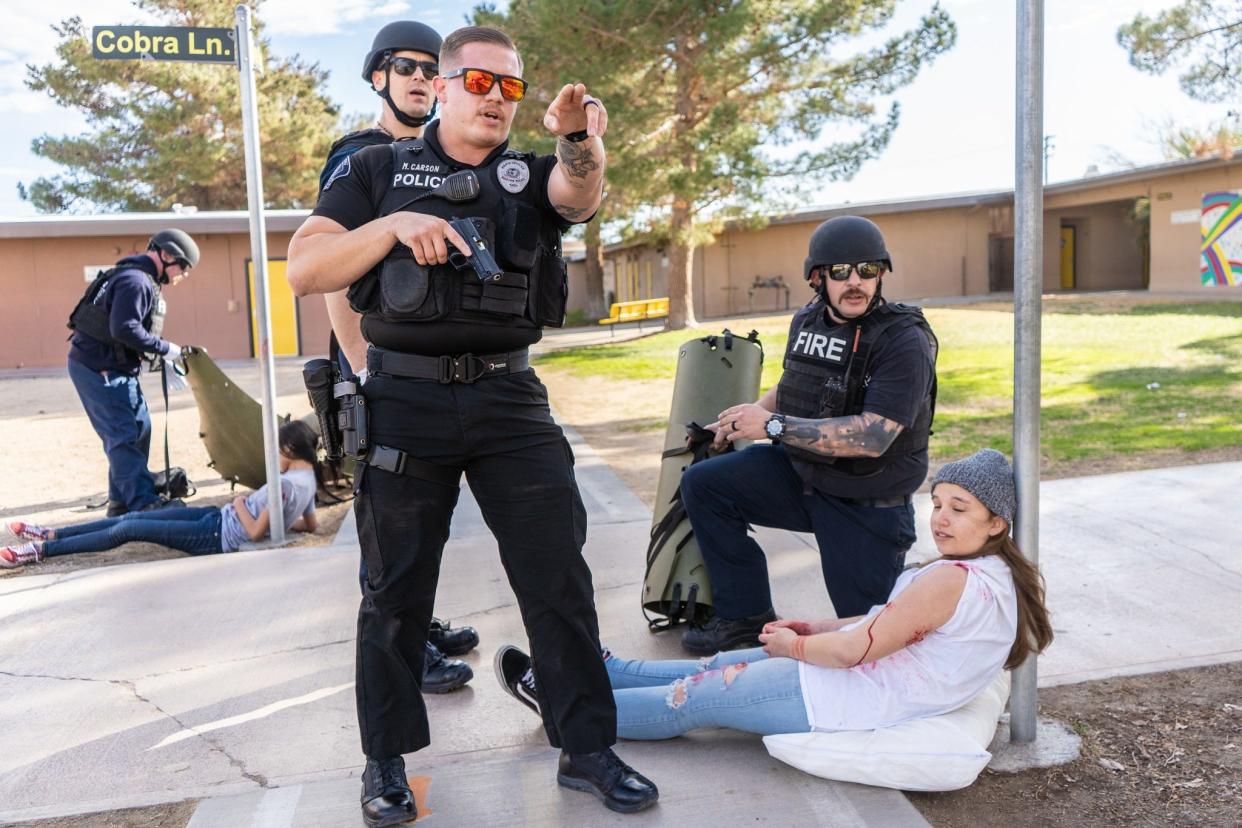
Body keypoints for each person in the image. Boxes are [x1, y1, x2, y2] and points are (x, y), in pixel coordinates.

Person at [287, 25, 657, 824]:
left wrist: (579, 141)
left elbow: (579, 194)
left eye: (511, 90)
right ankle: (385, 763)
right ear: (444, 88)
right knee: (393, 592)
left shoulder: (530, 173)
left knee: (557, 577)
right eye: (480, 84)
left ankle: (587, 747)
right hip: (406, 401)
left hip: (510, 402)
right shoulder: (376, 168)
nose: (496, 100)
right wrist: (389, 227)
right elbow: (305, 267)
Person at [495, 449, 1053, 745]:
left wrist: (794, 647)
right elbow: (891, 621)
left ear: (997, 522)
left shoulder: (953, 579)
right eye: (938, 503)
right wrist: (819, 624)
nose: (941, 519)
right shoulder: (994, 574)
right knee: (719, 664)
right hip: (854, 681)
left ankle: (566, 707)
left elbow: (854, 654)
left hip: (841, 697)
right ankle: (601, 670)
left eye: (960, 509)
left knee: (692, 701)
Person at [675, 215, 939, 655]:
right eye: (840, 272)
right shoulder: (809, 320)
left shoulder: (903, 340)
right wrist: (745, 417)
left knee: (877, 645)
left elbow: (875, 436)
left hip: (864, 502)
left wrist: (772, 427)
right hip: (802, 477)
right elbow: (797, 383)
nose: (855, 282)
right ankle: (744, 617)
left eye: (867, 270)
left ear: (882, 274)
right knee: (705, 485)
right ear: (818, 277)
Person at [319, 19, 479, 695]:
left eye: (428, 68)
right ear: (379, 76)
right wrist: (361, 371)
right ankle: (403, 648)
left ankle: (422, 620)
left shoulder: (443, 157)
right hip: (373, 363)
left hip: (427, 362)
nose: (419, 78)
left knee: (424, 509)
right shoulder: (357, 157)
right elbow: (330, 269)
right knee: (390, 517)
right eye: (405, 67)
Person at [3, 420, 322, 568]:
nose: (274, 456)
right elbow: (310, 526)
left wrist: (240, 504)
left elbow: (253, 531)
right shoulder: (306, 480)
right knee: (134, 516)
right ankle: (52, 533)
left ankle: (38, 551)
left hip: (216, 535)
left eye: (276, 450)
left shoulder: (285, 484)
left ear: (290, 449)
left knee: (128, 528)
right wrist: (276, 517)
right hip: (214, 519)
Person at [68, 229, 200, 517]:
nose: (183, 275)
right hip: (99, 367)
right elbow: (125, 328)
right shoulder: (135, 280)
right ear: (166, 255)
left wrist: (159, 357)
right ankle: (142, 502)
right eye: (183, 267)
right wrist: (167, 349)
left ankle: (120, 501)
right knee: (123, 435)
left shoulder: (137, 277)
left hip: (114, 365)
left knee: (140, 427)